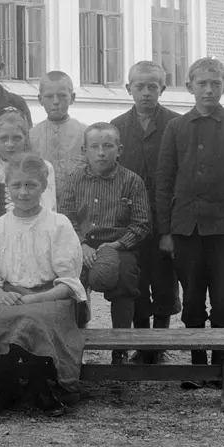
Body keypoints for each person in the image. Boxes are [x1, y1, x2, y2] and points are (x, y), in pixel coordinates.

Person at [155, 57, 224, 389]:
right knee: (193, 300)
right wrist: (167, 232)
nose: (209, 89)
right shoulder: (176, 128)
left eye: (216, 83)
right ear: (189, 87)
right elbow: (163, 182)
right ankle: (197, 368)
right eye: (202, 83)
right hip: (186, 230)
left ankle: (222, 368)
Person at [0, 153, 86, 417]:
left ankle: (41, 386)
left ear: (43, 186)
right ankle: (6, 386)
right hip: (10, 295)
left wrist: (35, 298)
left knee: (33, 319)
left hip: (51, 296)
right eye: (17, 186)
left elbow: (69, 281)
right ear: (7, 187)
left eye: (31, 185)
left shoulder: (58, 224)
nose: (23, 193)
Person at [59, 123, 152, 363]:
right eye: (95, 147)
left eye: (108, 146)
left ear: (119, 150)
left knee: (125, 280)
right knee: (70, 283)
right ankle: (73, 344)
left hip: (118, 245)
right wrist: (81, 245)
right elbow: (66, 218)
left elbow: (141, 224)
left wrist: (118, 245)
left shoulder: (132, 181)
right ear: (84, 150)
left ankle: (119, 347)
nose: (101, 152)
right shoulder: (73, 180)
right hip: (83, 245)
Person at [112, 61, 182, 353]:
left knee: (165, 277)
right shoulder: (116, 127)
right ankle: (142, 343)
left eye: (152, 86)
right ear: (129, 89)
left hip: (165, 216)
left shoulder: (177, 125)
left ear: (162, 89)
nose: (145, 93)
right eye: (139, 87)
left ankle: (160, 342)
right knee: (136, 278)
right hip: (131, 219)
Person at [0, 111, 57, 220]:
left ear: (26, 140)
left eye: (16, 138)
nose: (10, 144)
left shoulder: (44, 166)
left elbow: (47, 210)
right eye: (4, 138)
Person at [29, 71, 86, 183]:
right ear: (40, 99)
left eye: (62, 96)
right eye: (49, 96)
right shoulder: (31, 136)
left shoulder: (85, 133)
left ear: (72, 98)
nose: (55, 102)